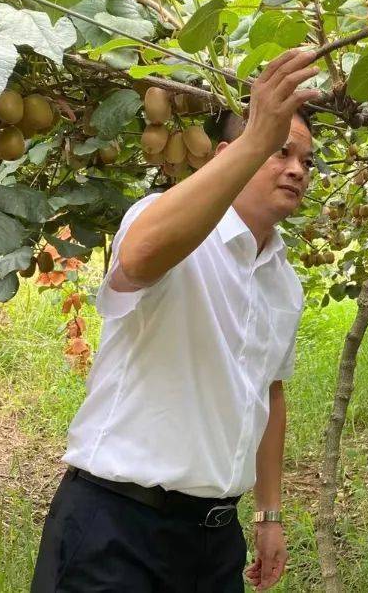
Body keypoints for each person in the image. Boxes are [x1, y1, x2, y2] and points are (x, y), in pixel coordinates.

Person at [31, 49, 322, 592]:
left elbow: (269, 393)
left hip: (213, 541)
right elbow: (140, 256)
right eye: (281, 150)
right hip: (118, 526)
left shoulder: (284, 281)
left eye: (306, 161)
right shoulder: (163, 219)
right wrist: (259, 136)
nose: (296, 169)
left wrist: (268, 513)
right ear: (230, 152)